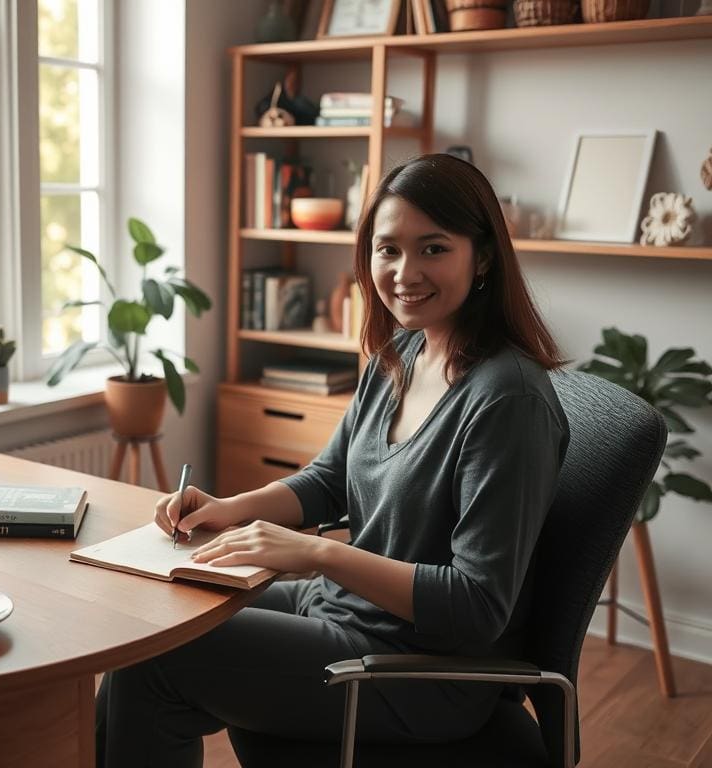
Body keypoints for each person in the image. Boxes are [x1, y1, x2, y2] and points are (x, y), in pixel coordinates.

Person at [95, 153, 570, 767]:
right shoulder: (400, 355)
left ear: (481, 258)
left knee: (156, 659)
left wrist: (317, 553)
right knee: (152, 620)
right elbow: (328, 480)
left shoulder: (508, 401)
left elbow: (477, 607)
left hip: (420, 669)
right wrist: (228, 508)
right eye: (387, 249)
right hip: (342, 611)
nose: (404, 272)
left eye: (433, 249)